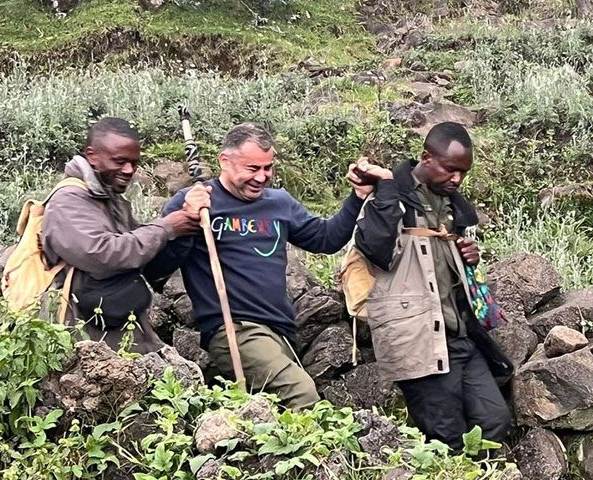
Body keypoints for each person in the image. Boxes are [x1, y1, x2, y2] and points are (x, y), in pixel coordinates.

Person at [150, 122, 377, 409]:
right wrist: (186, 223)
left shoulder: (278, 202)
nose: (262, 177)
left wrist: (357, 197)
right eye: (252, 168)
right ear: (225, 161)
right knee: (302, 396)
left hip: (282, 331)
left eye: (268, 168)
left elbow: (325, 239)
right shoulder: (195, 203)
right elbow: (156, 270)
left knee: (275, 413)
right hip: (234, 330)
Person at [353, 121, 512, 452]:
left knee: (495, 419)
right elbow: (377, 251)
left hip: (460, 335)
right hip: (419, 339)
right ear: (427, 158)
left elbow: (445, 265)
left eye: (463, 173)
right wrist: (384, 188)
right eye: (451, 169)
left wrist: (466, 253)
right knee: (446, 436)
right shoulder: (391, 196)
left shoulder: (452, 207)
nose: (457, 179)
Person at [41, 117, 201, 352]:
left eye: (134, 163)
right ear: (92, 155)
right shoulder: (68, 202)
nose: (129, 170)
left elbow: (142, 255)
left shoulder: (110, 199)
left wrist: (182, 228)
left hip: (117, 324)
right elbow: (103, 255)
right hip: (81, 333)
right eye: (120, 161)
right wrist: (166, 228)